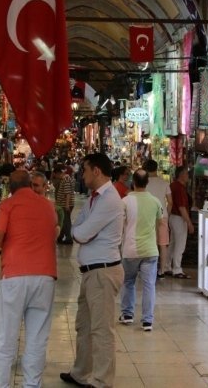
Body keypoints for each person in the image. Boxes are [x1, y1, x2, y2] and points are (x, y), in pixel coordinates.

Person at [0, 170, 58, 388]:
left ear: (10, 186)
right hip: (45, 276)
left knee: (6, 338)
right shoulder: (47, 206)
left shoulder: (7, 205)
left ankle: (0, 385)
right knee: (37, 339)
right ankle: (32, 385)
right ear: (29, 184)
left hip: (15, 276)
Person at [60, 153, 124, 388]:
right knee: (84, 326)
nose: (82, 175)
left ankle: (101, 380)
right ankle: (81, 372)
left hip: (103, 272)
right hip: (91, 272)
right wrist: (81, 230)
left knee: (101, 329)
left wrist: (81, 231)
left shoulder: (109, 200)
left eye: (85, 170)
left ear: (96, 171)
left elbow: (81, 233)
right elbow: (78, 225)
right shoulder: (93, 199)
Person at [118, 169, 163, 331]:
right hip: (150, 250)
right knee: (149, 285)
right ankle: (147, 321)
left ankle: (128, 314)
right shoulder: (156, 202)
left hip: (130, 250)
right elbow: (161, 223)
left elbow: (119, 226)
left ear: (133, 182)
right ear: (147, 183)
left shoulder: (125, 202)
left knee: (128, 282)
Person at [143, 159, 172, 278]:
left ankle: (150, 269)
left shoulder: (144, 183)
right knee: (163, 244)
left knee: (150, 243)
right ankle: (162, 270)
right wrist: (167, 214)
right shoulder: (164, 183)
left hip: (148, 216)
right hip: (162, 215)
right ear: (156, 168)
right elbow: (170, 202)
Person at [168, 165, 194, 279]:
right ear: (182, 175)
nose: (188, 176)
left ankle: (167, 266)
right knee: (180, 244)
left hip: (172, 217)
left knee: (173, 243)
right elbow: (182, 207)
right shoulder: (179, 188)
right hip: (179, 218)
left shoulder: (173, 186)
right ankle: (177, 269)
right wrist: (189, 222)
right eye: (187, 174)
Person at [30, 170, 62, 239]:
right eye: (31, 185)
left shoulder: (56, 209)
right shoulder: (25, 205)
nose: (32, 189)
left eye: (36, 185)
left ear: (45, 186)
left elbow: (54, 235)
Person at [53, 164, 75, 244]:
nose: (55, 177)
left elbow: (67, 193)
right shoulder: (64, 179)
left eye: (55, 175)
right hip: (62, 204)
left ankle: (68, 238)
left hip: (65, 204)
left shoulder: (66, 179)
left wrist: (67, 204)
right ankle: (61, 237)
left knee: (66, 221)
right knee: (63, 221)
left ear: (59, 173)